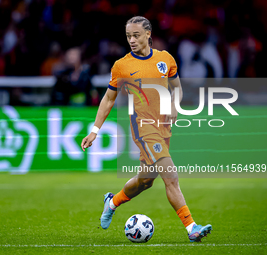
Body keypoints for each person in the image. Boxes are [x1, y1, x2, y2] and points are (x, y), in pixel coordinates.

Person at [80, 16, 212, 242]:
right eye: (128, 36)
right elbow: (108, 99)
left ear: (148, 35)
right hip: (143, 129)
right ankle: (192, 228)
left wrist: (173, 104)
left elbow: (177, 89)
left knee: (146, 180)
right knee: (170, 175)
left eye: (136, 35)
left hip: (163, 128)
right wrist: (95, 130)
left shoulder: (165, 59)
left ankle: (112, 202)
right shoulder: (121, 66)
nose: (131, 40)